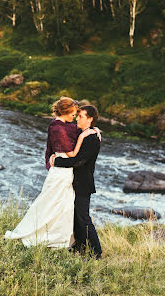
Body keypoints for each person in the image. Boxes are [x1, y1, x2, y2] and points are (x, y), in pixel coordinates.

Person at [4, 97, 96, 248]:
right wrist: (85, 136)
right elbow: (72, 153)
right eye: (73, 114)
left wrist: (92, 129)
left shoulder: (64, 124)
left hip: (66, 171)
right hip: (61, 171)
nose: (74, 117)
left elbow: (77, 129)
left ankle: (63, 238)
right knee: (52, 204)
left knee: (63, 206)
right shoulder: (58, 127)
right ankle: (46, 235)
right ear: (66, 112)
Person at [50, 105, 102, 259]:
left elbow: (79, 161)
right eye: (77, 115)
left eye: (81, 116)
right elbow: (66, 127)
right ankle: (79, 246)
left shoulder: (92, 138)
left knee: (83, 218)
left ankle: (97, 252)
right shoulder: (83, 132)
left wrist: (57, 161)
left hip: (83, 183)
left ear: (90, 119)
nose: (77, 119)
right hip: (73, 181)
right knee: (74, 216)